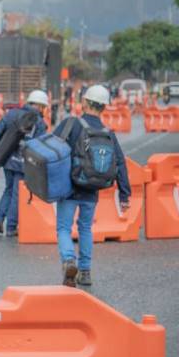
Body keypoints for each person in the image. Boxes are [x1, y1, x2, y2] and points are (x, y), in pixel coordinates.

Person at [52, 84, 130, 288]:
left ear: (85, 102)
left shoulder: (71, 124)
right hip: (92, 189)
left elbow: (52, 149)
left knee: (63, 227)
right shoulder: (107, 133)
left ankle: (69, 260)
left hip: (69, 188)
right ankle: (85, 271)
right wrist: (124, 194)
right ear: (104, 106)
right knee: (85, 227)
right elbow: (120, 163)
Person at [0, 89, 49, 237]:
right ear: (39, 106)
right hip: (24, 163)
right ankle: (11, 226)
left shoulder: (12, 114)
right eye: (43, 107)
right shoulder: (39, 123)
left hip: (7, 159)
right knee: (17, 193)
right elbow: (41, 147)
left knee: (9, 189)